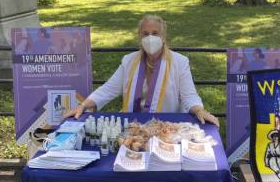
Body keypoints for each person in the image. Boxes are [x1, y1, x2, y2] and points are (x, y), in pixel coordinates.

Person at [65, 15, 219, 126]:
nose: (150, 38)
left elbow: (189, 95)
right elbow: (108, 89)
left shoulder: (180, 62)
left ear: (163, 37)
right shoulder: (129, 61)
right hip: (132, 125)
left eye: (155, 33)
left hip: (165, 126)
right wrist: (83, 105)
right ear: (139, 37)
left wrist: (199, 110)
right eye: (145, 34)